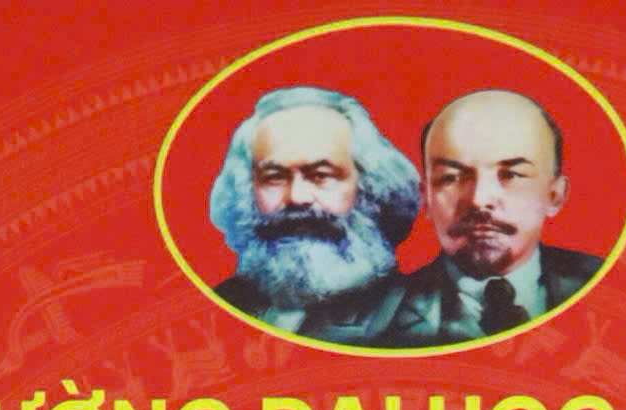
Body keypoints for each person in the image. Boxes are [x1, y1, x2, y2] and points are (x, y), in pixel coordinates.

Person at [375, 87, 603, 344]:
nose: (479, 199)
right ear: (426, 197)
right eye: (451, 178)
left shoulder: (609, 286)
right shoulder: (379, 321)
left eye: (511, 175)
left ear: (554, 195)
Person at [207, 85, 421, 344]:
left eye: (321, 175)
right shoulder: (217, 307)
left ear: (370, 189)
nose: (297, 197)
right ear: (247, 193)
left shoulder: (417, 316)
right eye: (274, 177)